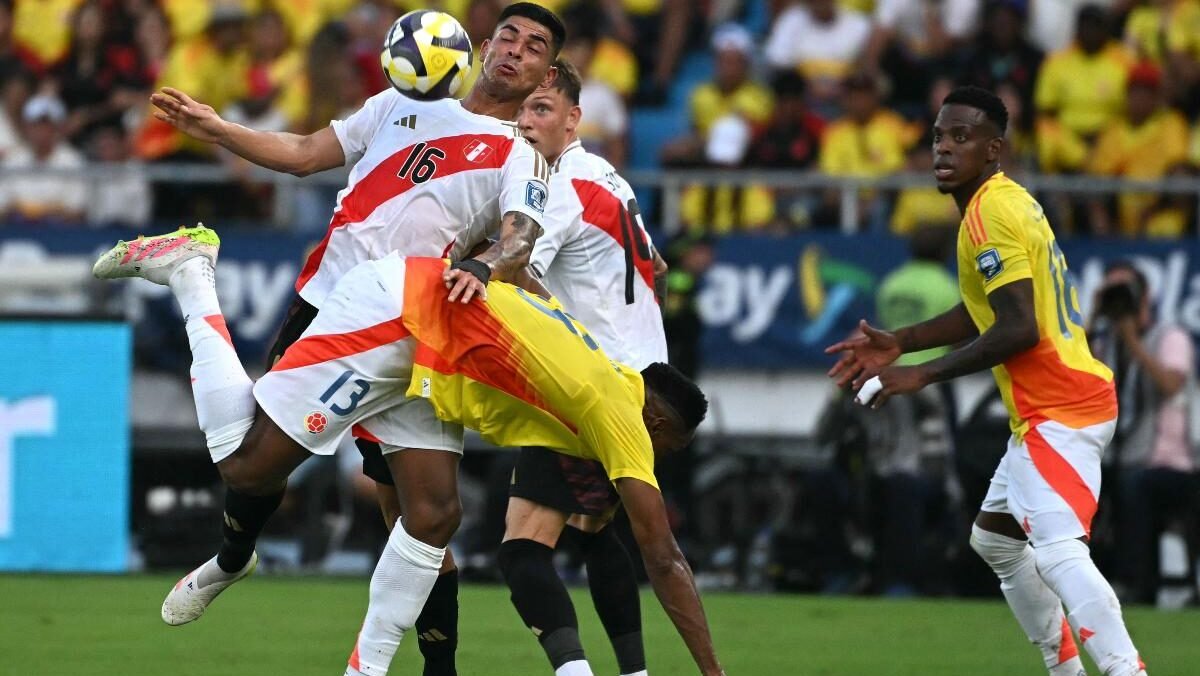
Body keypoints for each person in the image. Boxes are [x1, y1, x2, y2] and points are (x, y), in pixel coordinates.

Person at [135, 5, 564, 676]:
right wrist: (217, 129)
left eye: (534, 46)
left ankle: (438, 668)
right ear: (479, 46)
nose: (516, 50)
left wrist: (491, 264)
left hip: (414, 330)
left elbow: (520, 236)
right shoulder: (400, 100)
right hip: (326, 304)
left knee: (425, 511)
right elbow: (306, 154)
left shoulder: (522, 154)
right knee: (260, 462)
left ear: (546, 73)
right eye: (508, 35)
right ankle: (233, 553)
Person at [92, 231, 726, 676]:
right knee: (243, 464)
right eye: (666, 445)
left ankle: (365, 669)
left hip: (433, 362)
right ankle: (192, 276)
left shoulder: (608, 375)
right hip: (399, 316)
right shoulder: (619, 412)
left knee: (431, 516)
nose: (657, 456)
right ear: (654, 419)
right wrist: (712, 670)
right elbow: (663, 556)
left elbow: (526, 285)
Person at [826, 86, 1147, 676]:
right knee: (995, 540)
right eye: (939, 137)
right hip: (1054, 406)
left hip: (1060, 407)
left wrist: (921, 373)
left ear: (993, 149)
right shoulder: (1000, 203)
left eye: (961, 137)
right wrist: (903, 340)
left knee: (1056, 552)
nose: (943, 149)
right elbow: (988, 311)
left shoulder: (991, 213)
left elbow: (1019, 329)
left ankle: (1125, 670)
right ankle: (1066, 665)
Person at [493, 59, 667, 676]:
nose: (526, 122)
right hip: (645, 384)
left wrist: (458, 265)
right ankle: (636, 672)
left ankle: (574, 673)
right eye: (520, 110)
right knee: (595, 530)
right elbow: (661, 271)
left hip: (596, 385)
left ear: (574, 119)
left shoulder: (560, 182)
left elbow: (512, 261)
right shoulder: (613, 181)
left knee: (521, 549)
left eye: (541, 109)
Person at [1088, 261, 1197, 605]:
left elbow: (1169, 383)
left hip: (1172, 460)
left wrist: (1133, 342)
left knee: (1132, 483)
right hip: (1119, 454)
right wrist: (1093, 318)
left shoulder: (1170, 336)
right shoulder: (1105, 344)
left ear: (1145, 296)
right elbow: (1078, 384)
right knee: (1086, 480)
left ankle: (1133, 583)